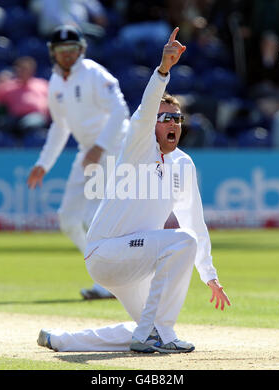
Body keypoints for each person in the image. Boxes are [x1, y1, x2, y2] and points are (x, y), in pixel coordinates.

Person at [37, 27, 230, 354]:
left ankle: (61, 340)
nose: (172, 124)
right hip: (107, 252)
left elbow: (194, 221)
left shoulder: (183, 165)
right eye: (164, 118)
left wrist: (209, 274)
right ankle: (160, 335)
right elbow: (143, 111)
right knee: (181, 243)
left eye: (177, 119)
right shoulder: (138, 147)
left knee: (148, 318)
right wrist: (163, 70)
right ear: (151, 126)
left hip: (134, 260)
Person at [27, 25, 129, 300]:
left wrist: (100, 146)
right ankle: (107, 277)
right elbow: (60, 128)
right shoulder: (56, 83)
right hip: (88, 151)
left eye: (72, 50)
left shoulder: (95, 73)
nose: (67, 55)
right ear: (53, 53)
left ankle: (112, 280)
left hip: (113, 148)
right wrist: (43, 164)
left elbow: (121, 110)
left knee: (90, 218)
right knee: (69, 220)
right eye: (62, 51)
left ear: (81, 50)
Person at [0, 56, 50, 140]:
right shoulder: (8, 86)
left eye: (25, 68)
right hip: (14, 118)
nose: (22, 71)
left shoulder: (42, 85)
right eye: (20, 68)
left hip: (35, 117)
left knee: (31, 122)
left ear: (32, 70)